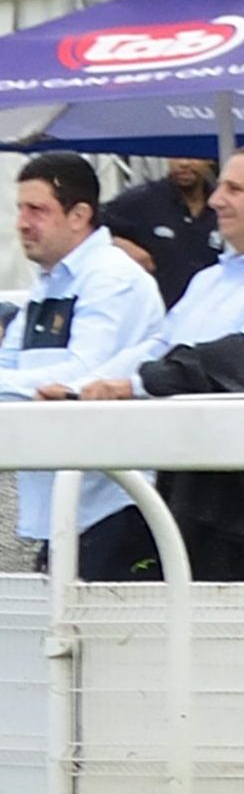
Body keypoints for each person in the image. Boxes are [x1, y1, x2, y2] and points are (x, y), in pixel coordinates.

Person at [61, 146, 244, 583]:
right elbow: (158, 346)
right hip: (196, 491)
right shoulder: (210, 279)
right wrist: (82, 386)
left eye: (234, 188)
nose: (215, 200)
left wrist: (132, 386)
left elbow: (239, 365)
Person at [2, 152, 166, 579]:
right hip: (66, 509)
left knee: (106, 645)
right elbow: (10, 368)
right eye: (20, 209)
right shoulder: (51, 282)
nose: (21, 222)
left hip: (112, 506)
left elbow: (80, 373)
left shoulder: (113, 278)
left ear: (79, 215)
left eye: (36, 209)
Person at [98, 157, 221, 309]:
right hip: (156, 314)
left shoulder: (223, 204)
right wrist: (118, 243)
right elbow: (91, 229)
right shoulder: (141, 200)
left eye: (192, 156)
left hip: (211, 314)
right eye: (176, 156)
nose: (183, 163)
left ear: (208, 160)